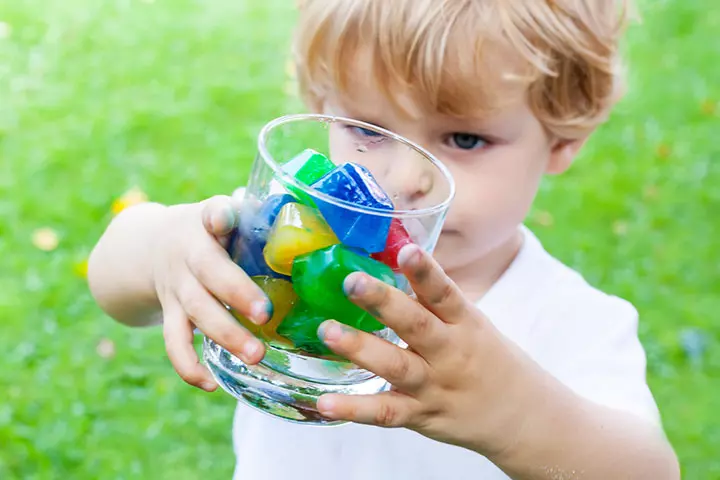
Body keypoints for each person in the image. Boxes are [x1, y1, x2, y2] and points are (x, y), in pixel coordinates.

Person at [87, 0, 680, 478]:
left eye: (465, 140)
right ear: (322, 108)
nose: (401, 182)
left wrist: (513, 416)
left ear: (561, 140)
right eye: (366, 131)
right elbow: (111, 282)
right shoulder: (282, 247)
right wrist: (163, 246)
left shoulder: (566, 321)